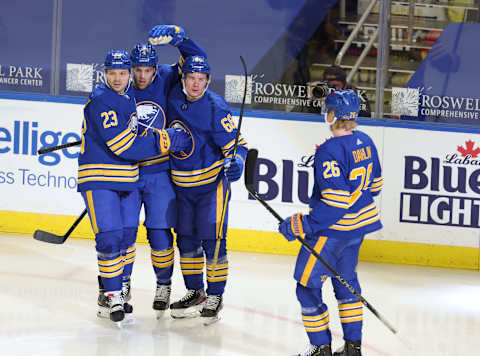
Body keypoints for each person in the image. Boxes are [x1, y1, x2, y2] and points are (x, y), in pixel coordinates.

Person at [77, 49, 189, 326]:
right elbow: (122, 146)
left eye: (122, 73)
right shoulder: (103, 98)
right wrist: (165, 141)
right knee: (110, 237)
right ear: (105, 73)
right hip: (101, 177)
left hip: (126, 177)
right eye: (113, 73)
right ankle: (112, 293)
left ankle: (117, 290)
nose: (118, 78)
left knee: (126, 236)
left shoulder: (126, 97)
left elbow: (127, 137)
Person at [278, 89, 383, 356]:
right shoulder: (367, 140)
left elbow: (336, 203)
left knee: (306, 286)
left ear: (332, 114)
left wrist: (303, 224)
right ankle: (352, 348)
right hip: (357, 230)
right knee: (346, 283)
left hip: (332, 234)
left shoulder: (329, 151)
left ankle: (321, 348)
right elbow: (376, 186)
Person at [121, 25, 207, 319]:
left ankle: (163, 285)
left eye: (148, 69)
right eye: (138, 70)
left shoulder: (169, 78)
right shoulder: (121, 85)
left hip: (159, 173)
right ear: (130, 69)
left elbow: (199, 58)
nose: (142, 75)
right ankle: (122, 285)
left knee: (159, 233)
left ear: (155, 68)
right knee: (125, 233)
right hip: (128, 173)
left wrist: (180, 36)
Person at [166, 55, 248, 323]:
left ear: (208, 81)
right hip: (182, 187)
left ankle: (215, 294)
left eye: (201, 79)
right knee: (186, 239)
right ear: (184, 78)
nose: (196, 84)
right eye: (191, 78)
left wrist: (236, 160)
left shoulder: (216, 107)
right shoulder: (174, 97)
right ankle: (195, 292)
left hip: (212, 187)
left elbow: (238, 146)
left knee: (212, 240)